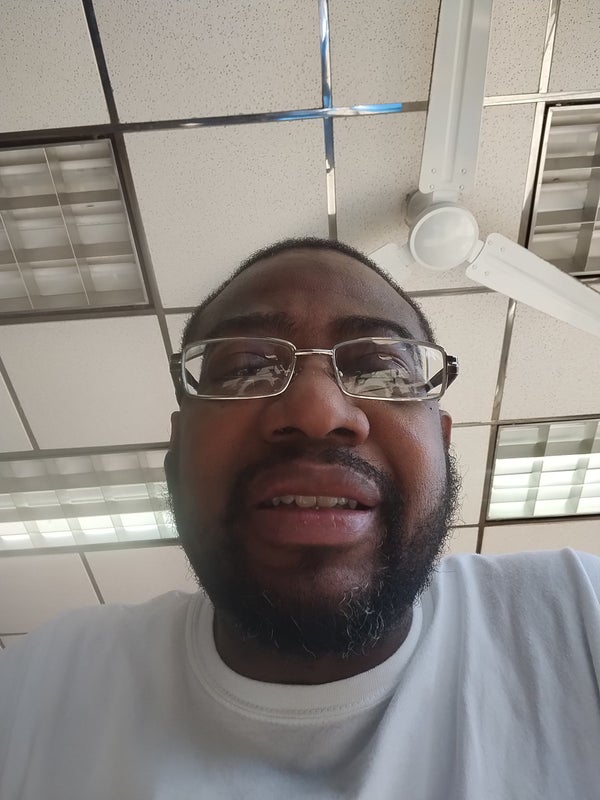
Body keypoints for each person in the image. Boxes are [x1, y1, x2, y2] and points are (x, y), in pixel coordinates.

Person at [1, 238, 599, 799]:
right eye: (246, 367)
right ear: (177, 452)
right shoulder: (45, 683)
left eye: (381, 369)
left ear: (442, 445)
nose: (317, 411)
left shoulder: (578, 612)